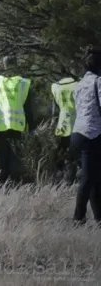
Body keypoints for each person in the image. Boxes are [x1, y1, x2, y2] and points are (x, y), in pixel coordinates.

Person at [0, 55, 36, 185]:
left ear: (4, 65)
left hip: (0, 126)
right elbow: (28, 107)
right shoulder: (23, 83)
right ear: (16, 64)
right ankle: (15, 185)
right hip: (17, 126)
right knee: (15, 157)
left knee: (2, 157)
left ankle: (2, 185)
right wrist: (31, 127)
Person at [71, 47, 101, 225]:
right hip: (94, 133)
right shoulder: (99, 82)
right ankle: (78, 217)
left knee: (94, 176)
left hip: (78, 133)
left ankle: (98, 216)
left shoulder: (79, 84)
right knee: (89, 178)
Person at [51, 72, 78, 185]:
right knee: (76, 155)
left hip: (62, 124)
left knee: (63, 153)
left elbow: (54, 111)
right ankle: (71, 180)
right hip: (77, 123)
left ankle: (61, 180)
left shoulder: (55, 86)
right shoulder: (79, 85)